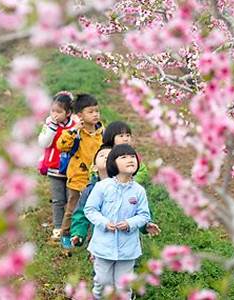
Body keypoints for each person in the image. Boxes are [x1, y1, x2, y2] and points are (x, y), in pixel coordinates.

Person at [84, 144, 151, 299]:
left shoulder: (139, 191)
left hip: (127, 248)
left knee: (124, 285)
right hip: (103, 246)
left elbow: (144, 215)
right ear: (113, 163)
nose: (130, 160)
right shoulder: (102, 186)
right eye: (124, 157)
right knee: (102, 280)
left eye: (133, 157)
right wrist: (103, 222)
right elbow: (90, 209)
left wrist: (130, 223)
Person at [56, 94, 103, 249]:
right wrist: (73, 130)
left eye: (97, 111)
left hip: (97, 179)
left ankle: (88, 237)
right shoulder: (76, 133)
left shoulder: (102, 132)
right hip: (78, 178)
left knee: (96, 209)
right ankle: (66, 234)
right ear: (80, 115)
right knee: (73, 208)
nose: (95, 114)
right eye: (91, 111)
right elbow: (61, 145)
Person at [37, 91, 77, 241]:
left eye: (59, 112)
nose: (55, 114)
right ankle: (58, 227)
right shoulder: (48, 124)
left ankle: (71, 227)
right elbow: (43, 143)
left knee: (71, 199)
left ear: (68, 113)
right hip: (54, 168)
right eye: (53, 111)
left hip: (72, 169)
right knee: (58, 200)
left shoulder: (75, 125)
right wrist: (52, 128)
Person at [102, 121, 149, 185]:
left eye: (128, 135)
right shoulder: (104, 153)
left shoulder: (132, 153)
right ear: (111, 137)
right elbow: (96, 170)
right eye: (121, 136)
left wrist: (131, 180)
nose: (125, 139)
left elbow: (142, 171)